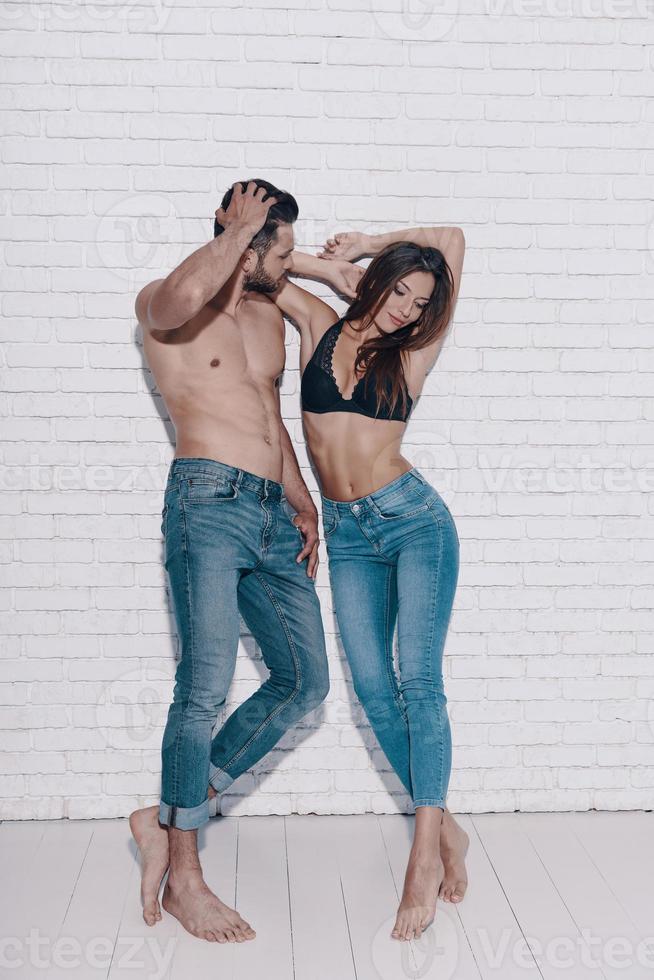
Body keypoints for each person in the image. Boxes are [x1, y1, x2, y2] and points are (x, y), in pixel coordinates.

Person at [129, 180, 331, 944]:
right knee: (203, 688)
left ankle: (168, 813)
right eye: (280, 250)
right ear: (243, 239)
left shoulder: (265, 314)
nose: (289, 263)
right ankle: (185, 876)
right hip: (206, 502)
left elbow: (266, 410)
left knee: (303, 680)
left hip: (271, 512)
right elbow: (181, 296)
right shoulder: (168, 298)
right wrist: (239, 232)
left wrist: (301, 496)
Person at [270, 225, 467, 943]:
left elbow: (452, 238)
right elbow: (259, 261)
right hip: (349, 535)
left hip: (414, 524)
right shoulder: (319, 323)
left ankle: (424, 853)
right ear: (378, 281)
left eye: (418, 302)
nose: (405, 309)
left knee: (419, 682)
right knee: (374, 691)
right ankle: (448, 827)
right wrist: (335, 266)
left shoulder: (412, 353)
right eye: (400, 292)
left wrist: (379, 245)